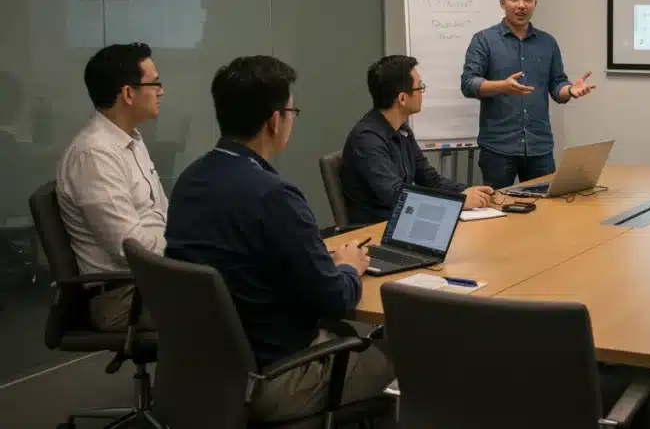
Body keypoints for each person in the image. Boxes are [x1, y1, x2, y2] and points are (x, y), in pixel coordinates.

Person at [166, 56, 390, 422]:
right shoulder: (274, 195)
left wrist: (321, 262)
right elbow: (334, 299)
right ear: (274, 121)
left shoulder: (192, 178)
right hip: (276, 376)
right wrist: (348, 266)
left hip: (210, 367)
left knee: (345, 332)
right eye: (292, 111)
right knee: (408, 358)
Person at [56, 43, 167, 331]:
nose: (161, 91)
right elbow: (130, 248)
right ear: (128, 93)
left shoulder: (131, 139)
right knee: (238, 299)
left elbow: (160, 212)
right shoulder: (94, 154)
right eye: (155, 83)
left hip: (151, 282)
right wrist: (185, 247)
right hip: (122, 297)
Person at [461, 0, 597, 188]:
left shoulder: (547, 42)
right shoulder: (484, 40)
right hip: (498, 148)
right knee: (496, 212)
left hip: (539, 147)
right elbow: (468, 84)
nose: (521, 5)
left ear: (535, 2)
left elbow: (556, 86)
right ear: (502, 3)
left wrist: (570, 90)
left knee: (544, 212)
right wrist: (502, 86)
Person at [342, 55, 494, 224]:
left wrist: (467, 191)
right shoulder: (367, 140)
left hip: (403, 220)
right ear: (402, 98)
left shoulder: (401, 129)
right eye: (419, 88)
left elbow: (429, 179)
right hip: (378, 228)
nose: (422, 92)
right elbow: (397, 196)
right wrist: (458, 201)